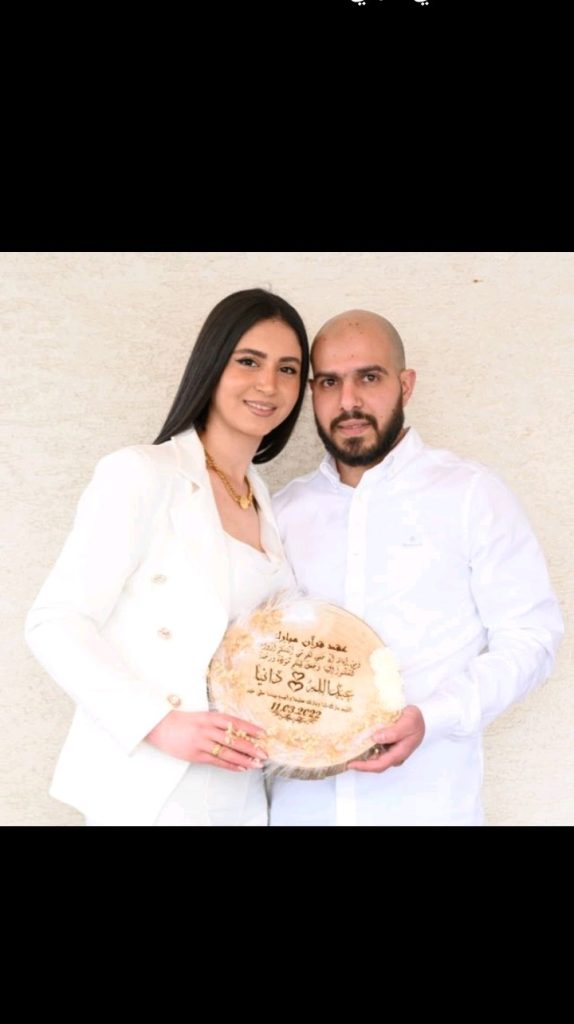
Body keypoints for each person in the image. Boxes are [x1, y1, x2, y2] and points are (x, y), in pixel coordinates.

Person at [25, 288, 309, 826]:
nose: (269, 385)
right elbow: (55, 621)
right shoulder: (141, 473)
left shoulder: (263, 500)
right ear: (211, 365)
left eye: (288, 369)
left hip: (242, 791)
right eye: (249, 361)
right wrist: (159, 722)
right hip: (153, 786)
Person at [270, 310, 563, 826]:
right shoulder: (281, 513)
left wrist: (435, 717)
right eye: (329, 382)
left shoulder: (471, 495)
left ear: (405, 385)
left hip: (429, 807)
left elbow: (532, 638)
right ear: (312, 392)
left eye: (369, 377)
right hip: (299, 812)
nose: (349, 401)